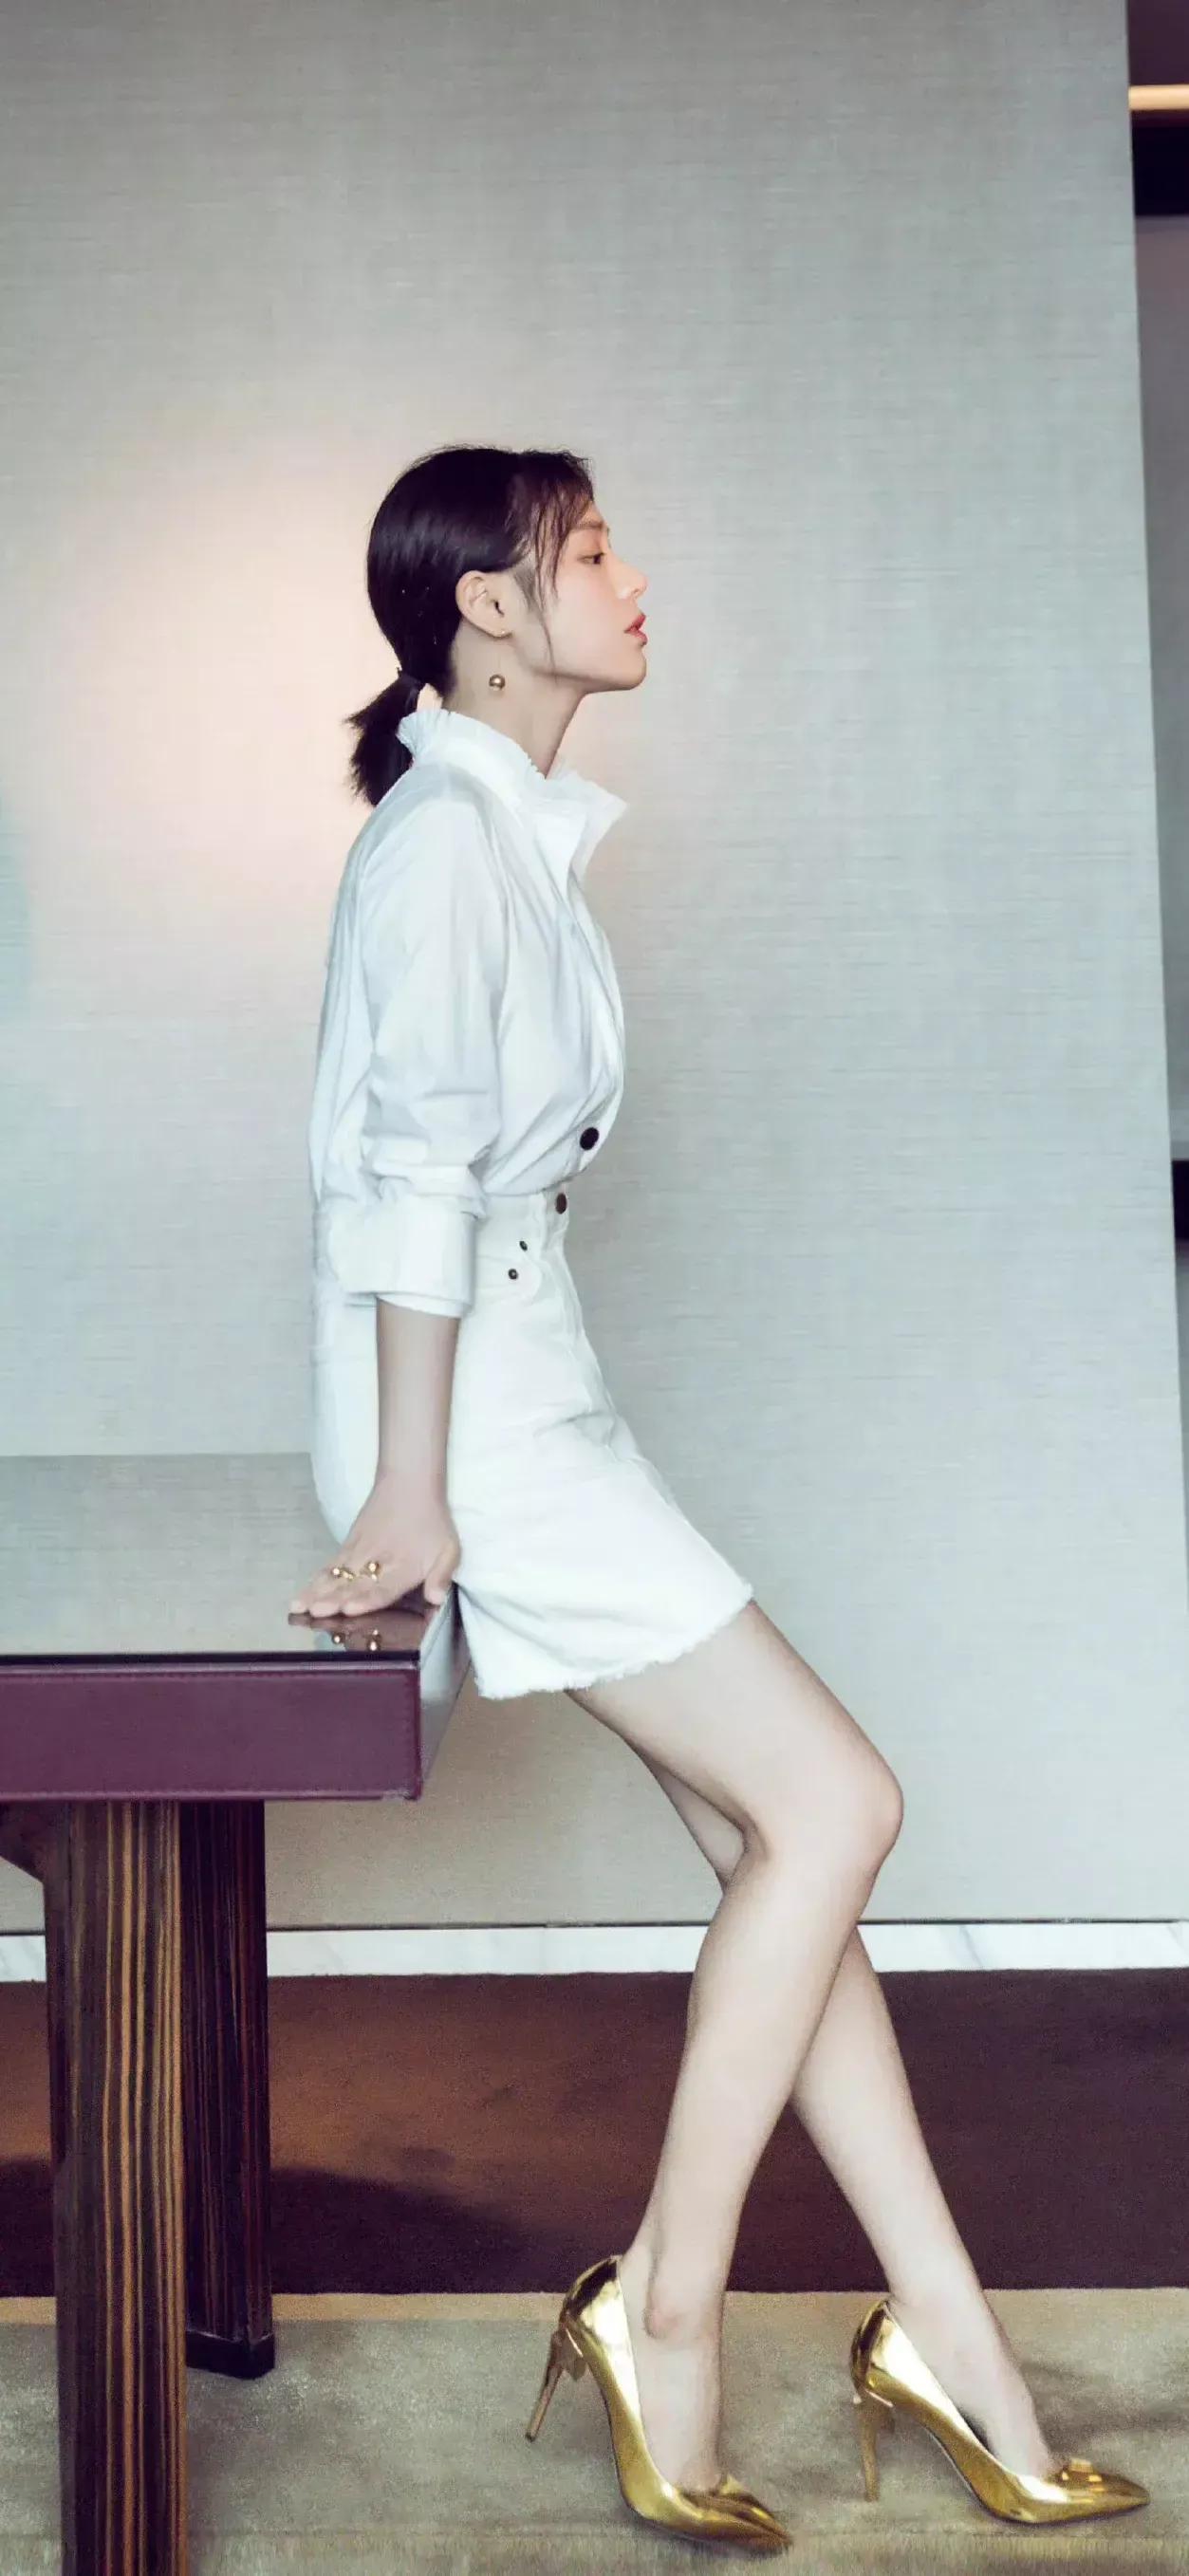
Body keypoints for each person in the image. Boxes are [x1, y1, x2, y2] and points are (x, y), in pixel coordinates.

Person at [289, 443, 1148, 2551]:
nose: (632, 577)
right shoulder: (440, 850)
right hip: (484, 1426)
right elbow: (407, 1180)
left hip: (532, 1390)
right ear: (489, 606)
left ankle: (950, 2336)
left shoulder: (511, 836)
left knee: (793, 1863)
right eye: (590, 551)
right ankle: (666, 2303)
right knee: (837, 1808)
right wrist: (413, 1487)